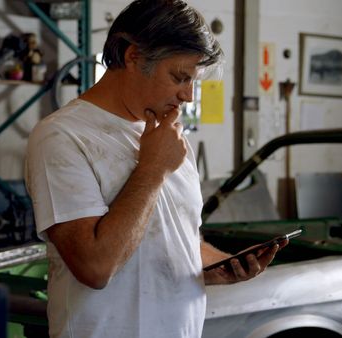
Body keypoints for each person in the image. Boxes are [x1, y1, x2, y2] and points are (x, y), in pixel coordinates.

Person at [24, 1, 288, 337]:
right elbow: (95, 266)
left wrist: (214, 266)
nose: (188, 96)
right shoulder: (62, 136)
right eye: (179, 77)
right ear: (133, 56)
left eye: (193, 81)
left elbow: (175, 237)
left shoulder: (169, 138)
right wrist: (152, 170)